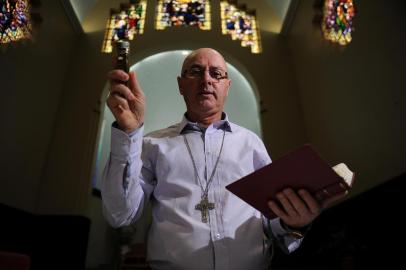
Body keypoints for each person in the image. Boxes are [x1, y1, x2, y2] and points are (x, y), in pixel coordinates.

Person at [102, 48, 337, 270]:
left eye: (216, 74)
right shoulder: (152, 145)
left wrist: (294, 223)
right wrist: (129, 134)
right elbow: (120, 215)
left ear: (227, 86)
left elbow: (272, 223)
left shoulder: (251, 143)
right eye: (195, 71)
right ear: (180, 85)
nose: (206, 80)